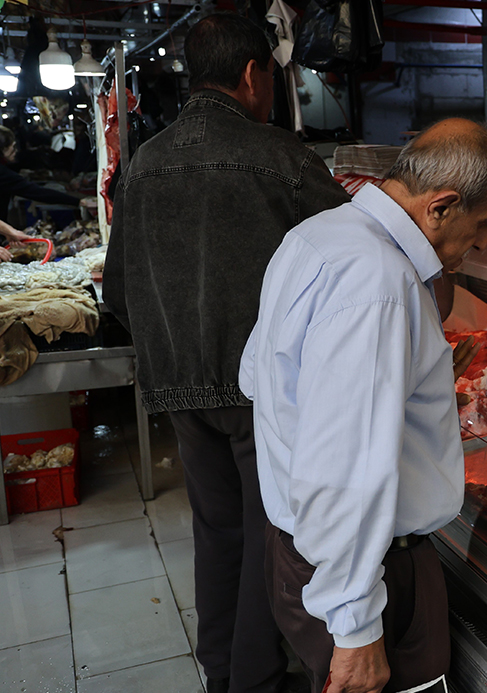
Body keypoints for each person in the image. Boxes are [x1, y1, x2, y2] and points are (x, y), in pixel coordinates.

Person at [102, 13, 352, 693]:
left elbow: (117, 288)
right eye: (271, 78)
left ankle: (222, 671)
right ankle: (255, 679)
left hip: (179, 385)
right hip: (261, 387)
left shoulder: (145, 163)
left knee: (217, 532)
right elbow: (356, 256)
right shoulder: (281, 157)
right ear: (251, 75)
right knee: (267, 536)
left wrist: (172, 341)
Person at [240, 119, 487, 693]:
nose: (485, 242)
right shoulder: (378, 282)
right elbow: (344, 469)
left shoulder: (320, 234)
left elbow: (256, 376)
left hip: (306, 549)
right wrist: (357, 627)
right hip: (369, 571)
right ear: (441, 205)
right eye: (484, 222)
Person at [0, 125, 86, 222]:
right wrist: (78, 201)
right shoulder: (2, 173)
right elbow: (36, 192)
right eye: (13, 146)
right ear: (3, 149)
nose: (16, 150)